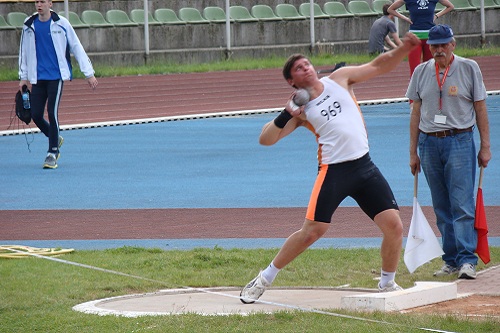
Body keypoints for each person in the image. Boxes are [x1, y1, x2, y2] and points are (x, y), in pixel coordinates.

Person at [240, 32, 421, 304]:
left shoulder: (340, 79)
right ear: (292, 81)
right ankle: (265, 277)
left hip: (364, 166)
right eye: (298, 68)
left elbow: (378, 65)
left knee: (394, 226)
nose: (306, 68)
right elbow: (266, 139)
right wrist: (287, 113)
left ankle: (387, 283)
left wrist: (404, 49)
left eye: (307, 63)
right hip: (333, 173)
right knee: (312, 232)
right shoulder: (300, 111)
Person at [407, 25, 491, 279]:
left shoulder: (468, 68)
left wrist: (485, 146)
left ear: (453, 44)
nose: (439, 49)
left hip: (459, 140)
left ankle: (467, 260)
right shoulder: (421, 71)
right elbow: (415, 112)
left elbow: (480, 107)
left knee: (461, 204)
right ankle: (451, 259)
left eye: (444, 44)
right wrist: (413, 151)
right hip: (429, 142)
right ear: (429, 47)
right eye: (434, 45)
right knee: (441, 205)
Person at [18, 0, 98, 169]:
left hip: (55, 77)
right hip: (37, 77)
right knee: (35, 114)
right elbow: (23, 52)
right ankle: (54, 136)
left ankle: (52, 152)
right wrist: (23, 77)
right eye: (36, 2)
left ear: (50, 3)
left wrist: (88, 73)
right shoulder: (29, 24)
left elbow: (76, 46)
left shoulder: (61, 24)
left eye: (42, 2)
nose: (39, 5)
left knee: (52, 112)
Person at [388, 0, 454, 77]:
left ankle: (430, 87)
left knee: (431, 67)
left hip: (430, 37)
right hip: (414, 37)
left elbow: (450, 6)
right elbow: (390, 9)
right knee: (414, 69)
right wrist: (405, 18)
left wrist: (436, 16)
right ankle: (415, 88)